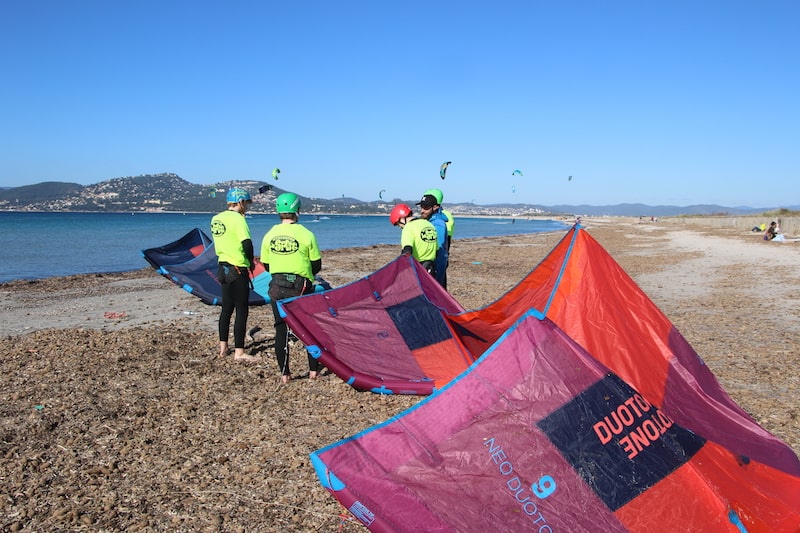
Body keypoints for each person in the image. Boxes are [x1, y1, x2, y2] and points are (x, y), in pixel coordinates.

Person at [260, 192, 322, 384]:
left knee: (281, 328)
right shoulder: (306, 234)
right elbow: (316, 265)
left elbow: (266, 264)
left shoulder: (269, 234)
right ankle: (313, 370)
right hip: (300, 286)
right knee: (308, 328)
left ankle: (285, 374)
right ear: (297, 210)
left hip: (277, 285)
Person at [210, 187, 260, 362]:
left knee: (226, 309)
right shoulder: (239, 219)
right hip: (237, 268)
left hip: (222, 268)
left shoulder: (216, 219)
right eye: (246, 203)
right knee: (241, 310)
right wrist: (251, 261)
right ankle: (239, 352)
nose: (247, 207)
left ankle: (223, 347)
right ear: (240, 202)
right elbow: (247, 244)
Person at [389, 203, 438, 276]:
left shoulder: (408, 228)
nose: (399, 227)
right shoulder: (429, 224)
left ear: (401, 218)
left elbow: (407, 251)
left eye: (398, 224)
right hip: (431, 270)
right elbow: (436, 249)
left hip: (417, 269)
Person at [416, 193, 449, 289]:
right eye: (421, 207)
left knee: (435, 290)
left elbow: (439, 246)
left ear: (435, 207)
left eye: (426, 208)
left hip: (436, 264)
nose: (422, 211)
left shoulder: (437, 224)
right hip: (434, 263)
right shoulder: (430, 221)